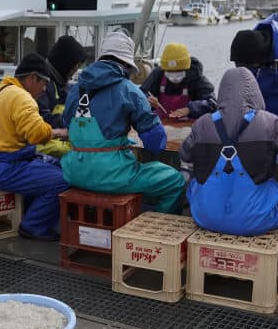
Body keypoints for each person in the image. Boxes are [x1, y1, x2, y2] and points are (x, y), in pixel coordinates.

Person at [61, 31, 186, 214]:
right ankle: (155, 235)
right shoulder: (129, 90)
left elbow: (70, 126)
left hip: (74, 172)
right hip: (113, 175)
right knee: (174, 181)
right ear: (126, 65)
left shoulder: (75, 89)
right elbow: (156, 143)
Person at [180, 68, 278, 235]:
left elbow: (184, 155)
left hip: (204, 217)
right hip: (256, 221)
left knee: (193, 185)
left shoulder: (202, 123)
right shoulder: (269, 122)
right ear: (255, 93)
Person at [0, 53, 70, 240]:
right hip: (8, 168)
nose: (45, 89)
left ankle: (30, 213)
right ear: (32, 77)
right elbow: (37, 133)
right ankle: (33, 226)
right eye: (43, 83)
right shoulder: (22, 97)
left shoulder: (4, 89)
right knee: (64, 179)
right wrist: (60, 132)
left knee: (54, 165)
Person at [140, 43, 217, 120]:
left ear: (187, 68)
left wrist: (190, 109)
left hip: (189, 126)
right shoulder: (158, 74)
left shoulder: (196, 77)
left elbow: (212, 103)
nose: (174, 76)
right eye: (170, 71)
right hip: (161, 123)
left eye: (179, 71)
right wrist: (147, 99)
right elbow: (140, 94)